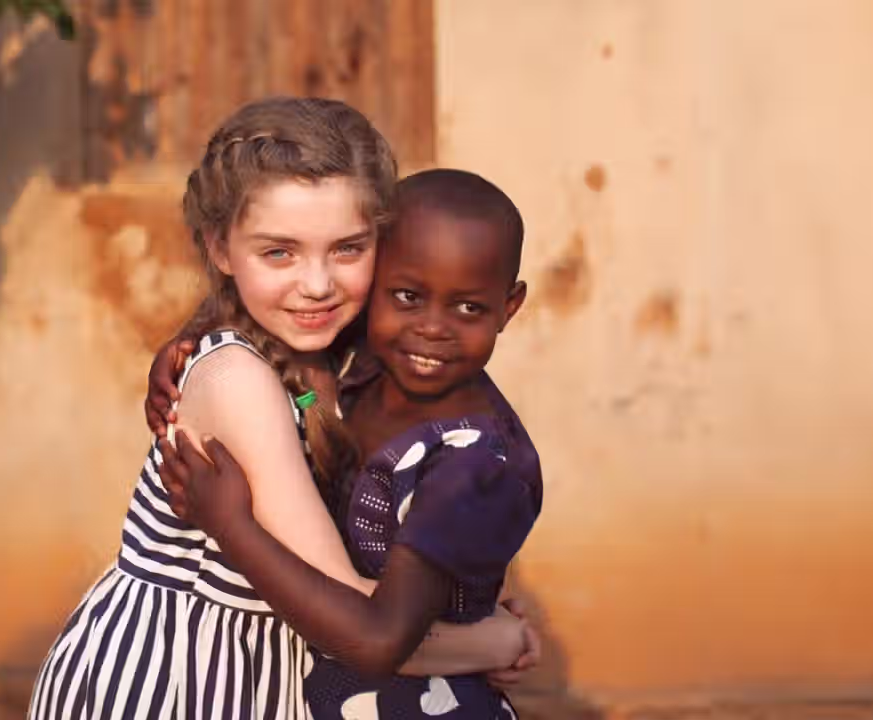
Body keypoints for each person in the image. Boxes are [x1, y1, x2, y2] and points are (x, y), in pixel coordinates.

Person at [28, 100, 534, 720]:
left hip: (261, 672)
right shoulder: (240, 380)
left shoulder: (339, 354)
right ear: (220, 247)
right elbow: (365, 626)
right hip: (174, 681)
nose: (316, 284)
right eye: (279, 254)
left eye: (347, 249)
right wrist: (492, 639)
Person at [158, 169, 543, 718]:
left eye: (469, 308)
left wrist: (231, 526)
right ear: (373, 282)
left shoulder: (474, 468)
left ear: (509, 306)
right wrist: (185, 347)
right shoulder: (363, 363)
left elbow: (379, 642)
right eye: (408, 295)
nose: (432, 328)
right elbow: (280, 351)